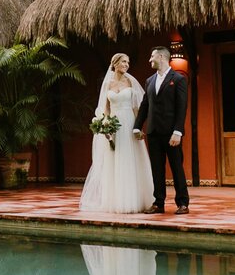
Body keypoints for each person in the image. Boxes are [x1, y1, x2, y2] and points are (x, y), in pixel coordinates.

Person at [79, 53, 155, 213]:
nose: (127, 65)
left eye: (128, 62)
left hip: (128, 123)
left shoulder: (130, 81)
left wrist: (138, 127)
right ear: (115, 63)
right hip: (114, 126)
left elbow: (136, 108)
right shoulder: (107, 84)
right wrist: (105, 125)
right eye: (123, 62)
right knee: (114, 160)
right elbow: (106, 108)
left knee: (130, 159)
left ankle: (135, 200)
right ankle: (116, 200)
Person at [133, 46, 189, 215]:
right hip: (153, 132)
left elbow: (182, 107)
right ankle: (159, 203)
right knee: (157, 169)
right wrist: (137, 125)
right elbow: (144, 105)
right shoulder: (149, 80)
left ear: (162, 57)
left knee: (176, 167)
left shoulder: (178, 79)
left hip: (171, 133)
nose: (150, 60)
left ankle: (183, 203)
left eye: (152, 57)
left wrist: (178, 131)